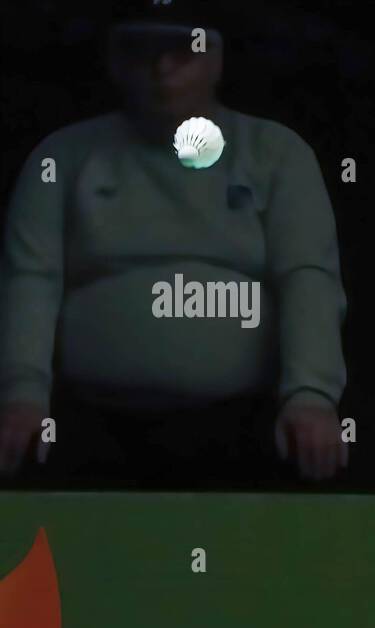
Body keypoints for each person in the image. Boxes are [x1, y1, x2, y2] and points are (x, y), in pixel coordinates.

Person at [0, 0, 348, 486]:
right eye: (142, 51)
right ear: (116, 61)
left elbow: (308, 277)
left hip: (246, 414)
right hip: (83, 414)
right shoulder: (62, 156)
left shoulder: (275, 152)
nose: (162, 69)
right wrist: (22, 394)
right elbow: (30, 280)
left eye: (183, 51)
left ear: (215, 60)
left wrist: (311, 395)